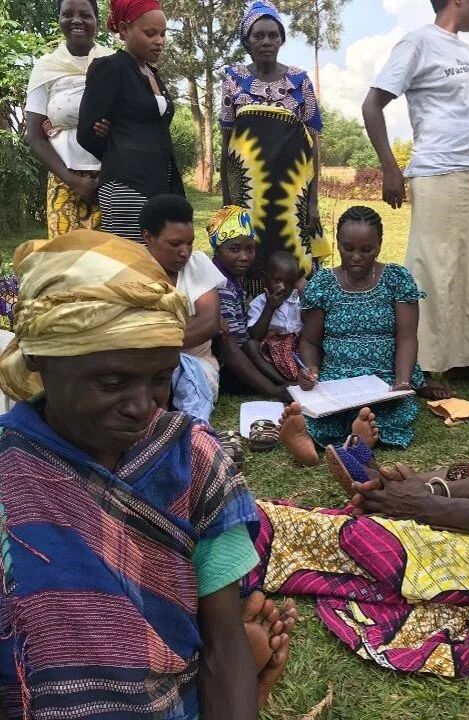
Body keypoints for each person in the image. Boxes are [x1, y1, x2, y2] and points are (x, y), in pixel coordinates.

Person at [244, 195, 469, 685]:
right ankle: (252, 527)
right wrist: (434, 491)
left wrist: (424, 508)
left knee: (390, 543)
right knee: (432, 501)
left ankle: (244, 540)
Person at [0, 230, 296, 719]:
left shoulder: (192, 459)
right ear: (40, 359)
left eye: (160, 378)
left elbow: (223, 644)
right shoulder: (11, 464)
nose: (143, 406)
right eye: (111, 381)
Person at [362, 0, 469, 392]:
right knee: (432, 267)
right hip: (437, 170)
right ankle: (420, 363)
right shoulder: (418, 42)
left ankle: (463, 359)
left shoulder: (467, 50)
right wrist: (390, 167)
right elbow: (372, 105)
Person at [277, 206, 431, 467]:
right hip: (337, 378)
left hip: (384, 379)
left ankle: (358, 434)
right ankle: (311, 438)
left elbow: (406, 337)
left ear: (380, 244)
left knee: (389, 411)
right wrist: (310, 370)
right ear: (337, 242)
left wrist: (403, 380)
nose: (356, 257)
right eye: (348, 248)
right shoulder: (323, 283)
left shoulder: (396, 279)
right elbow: (310, 341)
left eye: (367, 249)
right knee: (326, 412)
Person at [219, 0, 324, 294]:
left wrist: (313, 202)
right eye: (259, 35)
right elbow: (226, 142)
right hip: (247, 190)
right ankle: (252, 315)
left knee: (294, 246)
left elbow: (314, 144)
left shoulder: (300, 81)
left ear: (282, 40)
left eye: (273, 35)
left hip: (293, 190)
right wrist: (227, 199)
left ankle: (296, 316)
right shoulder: (234, 79)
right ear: (247, 41)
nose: (266, 41)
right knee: (248, 249)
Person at [77, 0, 183, 243]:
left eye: (163, 34)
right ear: (124, 30)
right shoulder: (110, 68)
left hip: (161, 186)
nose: (160, 41)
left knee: (158, 261)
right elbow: (87, 132)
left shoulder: (151, 73)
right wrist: (119, 147)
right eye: (150, 33)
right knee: (130, 260)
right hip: (127, 188)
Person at [25, 0, 113, 239]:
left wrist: (106, 175)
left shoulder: (113, 62)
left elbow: (130, 123)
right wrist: (73, 181)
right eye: (68, 14)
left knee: (112, 256)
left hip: (112, 180)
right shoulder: (45, 68)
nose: (76, 20)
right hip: (64, 180)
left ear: (96, 20)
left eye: (85, 15)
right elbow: (34, 136)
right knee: (65, 256)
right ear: (60, 19)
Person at [141, 194, 226, 412]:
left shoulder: (198, 265)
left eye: (189, 243)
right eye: (175, 244)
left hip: (194, 366)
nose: (185, 252)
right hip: (144, 367)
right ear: (148, 237)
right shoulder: (133, 270)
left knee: (189, 390)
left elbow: (208, 325)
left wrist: (148, 339)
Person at [208, 206, 291, 402]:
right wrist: (272, 390)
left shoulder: (231, 279)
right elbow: (229, 350)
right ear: (217, 249)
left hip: (239, 355)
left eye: (250, 249)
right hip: (225, 368)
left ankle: (285, 383)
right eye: (234, 249)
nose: (244, 257)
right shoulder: (220, 286)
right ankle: (282, 386)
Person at [246, 251, 303, 382]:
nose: (282, 287)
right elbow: (255, 336)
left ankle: (304, 376)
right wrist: (269, 308)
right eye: (277, 280)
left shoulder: (298, 299)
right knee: (251, 346)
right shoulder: (258, 304)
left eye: (289, 283)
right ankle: (283, 383)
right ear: (264, 279)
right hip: (272, 354)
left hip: (298, 352)